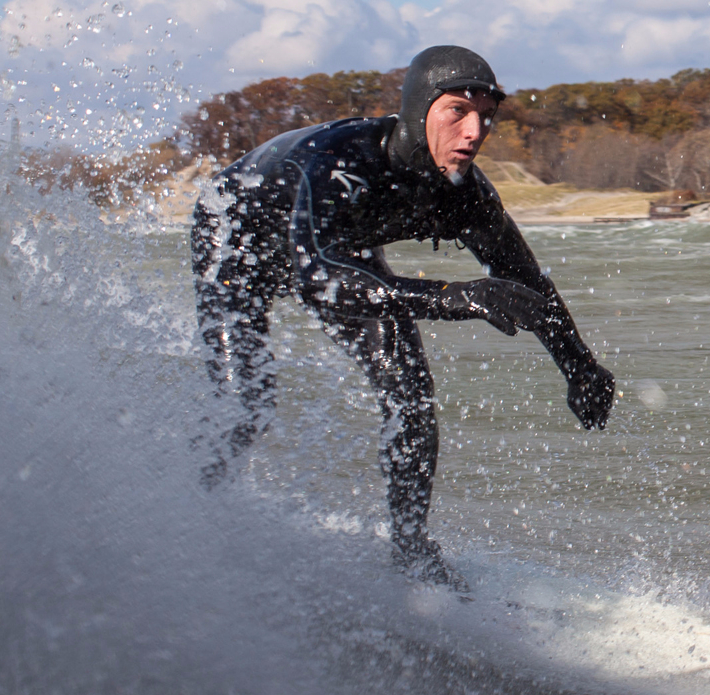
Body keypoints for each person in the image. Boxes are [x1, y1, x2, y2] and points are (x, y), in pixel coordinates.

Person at [190, 45, 614, 591]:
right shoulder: (342, 160)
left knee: (410, 394)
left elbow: (527, 284)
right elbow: (320, 275)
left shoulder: (464, 193)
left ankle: (411, 553)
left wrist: (579, 366)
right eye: (457, 111)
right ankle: (189, 510)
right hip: (238, 237)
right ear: (419, 110)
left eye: (487, 115)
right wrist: (456, 297)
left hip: (340, 253)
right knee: (247, 401)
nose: (474, 131)